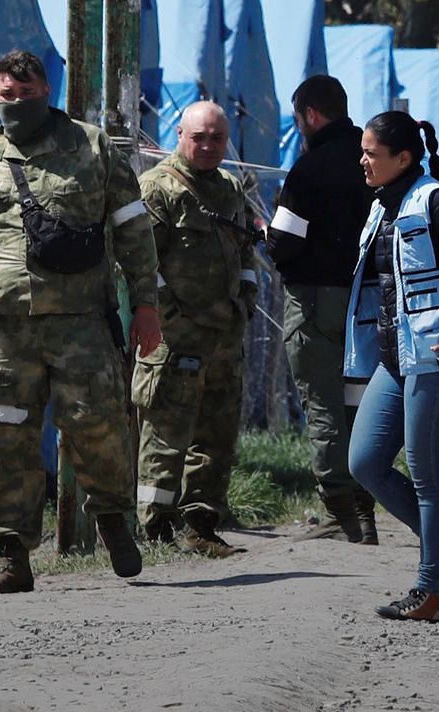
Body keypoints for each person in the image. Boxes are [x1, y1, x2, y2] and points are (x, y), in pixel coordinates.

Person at [0, 50, 160, 593]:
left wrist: (145, 305)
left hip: (82, 322)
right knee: (2, 436)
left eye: (26, 94)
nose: (15, 103)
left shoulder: (91, 148)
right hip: (1, 328)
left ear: (47, 91)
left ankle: (113, 520)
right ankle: (11, 556)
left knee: (99, 425)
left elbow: (134, 230)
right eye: (6, 94)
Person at [345, 112, 439, 622]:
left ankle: (429, 591)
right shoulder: (382, 206)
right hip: (397, 359)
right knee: (365, 462)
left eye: (372, 153)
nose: (363, 160)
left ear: (403, 158)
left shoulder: (438, 202)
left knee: (428, 476)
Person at [134, 101, 256, 558]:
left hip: (224, 340)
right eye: (198, 137)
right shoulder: (157, 189)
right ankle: (155, 531)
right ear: (179, 135)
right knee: (165, 437)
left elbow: (246, 255)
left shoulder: (228, 188)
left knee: (216, 436)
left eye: (217, 138)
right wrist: (174, 318)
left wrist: (245, 302)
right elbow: (143, 266)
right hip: (175, 340)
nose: (207, 146)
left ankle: (201, 526)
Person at [267, 74, 378, 544]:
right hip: (369, 302)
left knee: (323, 406)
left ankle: (339, 513)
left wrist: (270, 240)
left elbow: (284, 242)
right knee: (360, 405)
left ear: (311, 116)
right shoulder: (375, 161)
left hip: (315, 302)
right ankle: (368, 511)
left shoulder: (307, 169)